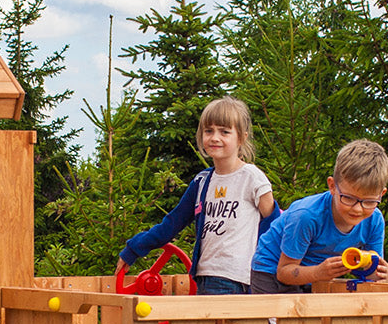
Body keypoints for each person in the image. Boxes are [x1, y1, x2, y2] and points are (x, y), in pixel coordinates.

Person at [118, 96, 278, 296]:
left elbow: (274, 224)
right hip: (204, 276)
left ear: (241, 138)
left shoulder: (252, 178)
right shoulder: (202, 182)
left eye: (224, 132)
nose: (215, 138)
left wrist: (266, 269)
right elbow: (173, 222)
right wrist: (134, 248)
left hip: (236, 277)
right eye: (208, 131)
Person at [249, 138, 388, 294]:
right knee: (285, 317)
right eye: (349, 198)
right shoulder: (307, 216)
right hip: (272, 272)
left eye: (369, 201)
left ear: (381, 194)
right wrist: (318, 273)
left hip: (316, 275)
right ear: (332, 186)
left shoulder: (374, 220)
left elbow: (371, 271)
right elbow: (284, 272)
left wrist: (384, 275)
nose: (358, 209)